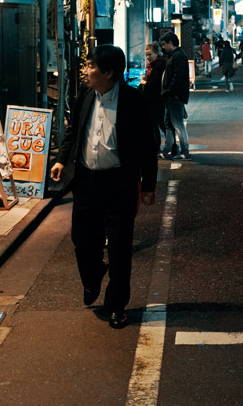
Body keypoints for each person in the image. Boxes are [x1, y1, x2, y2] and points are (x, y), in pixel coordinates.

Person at [49, 45, 158, 330]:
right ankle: (94, 273)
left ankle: (117, 305)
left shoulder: (135, 101)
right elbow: (74, 130)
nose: (86, 71)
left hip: (119, 184)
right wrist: (62, 160)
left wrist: (148, 184)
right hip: (86, 181)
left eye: (90, 66)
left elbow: (149, 145)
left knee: (120, 247)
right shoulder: (85, 95)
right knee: (82, 240)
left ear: (109, 72)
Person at [159, 31, 191, 159]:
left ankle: (184, 151)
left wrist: (170, 91)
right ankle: (168, 149)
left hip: (174, 96)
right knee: (169, 123)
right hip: (172, 95)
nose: (163, 47)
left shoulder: (178, 56)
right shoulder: (175, 55)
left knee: (177, 124)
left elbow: (178, 77)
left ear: (170, 43)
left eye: (164, 44)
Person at [141, 43, 167, 142]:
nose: (147, 57)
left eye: (149, 54)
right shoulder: (154, 65)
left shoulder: (159, 65)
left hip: (157, 99)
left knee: (158, 123)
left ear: (156, 53)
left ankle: (170, 147)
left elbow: (155, 83)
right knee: (157, 123)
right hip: (154, 99)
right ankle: (161, 147)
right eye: (146, 54)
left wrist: (144, 82)